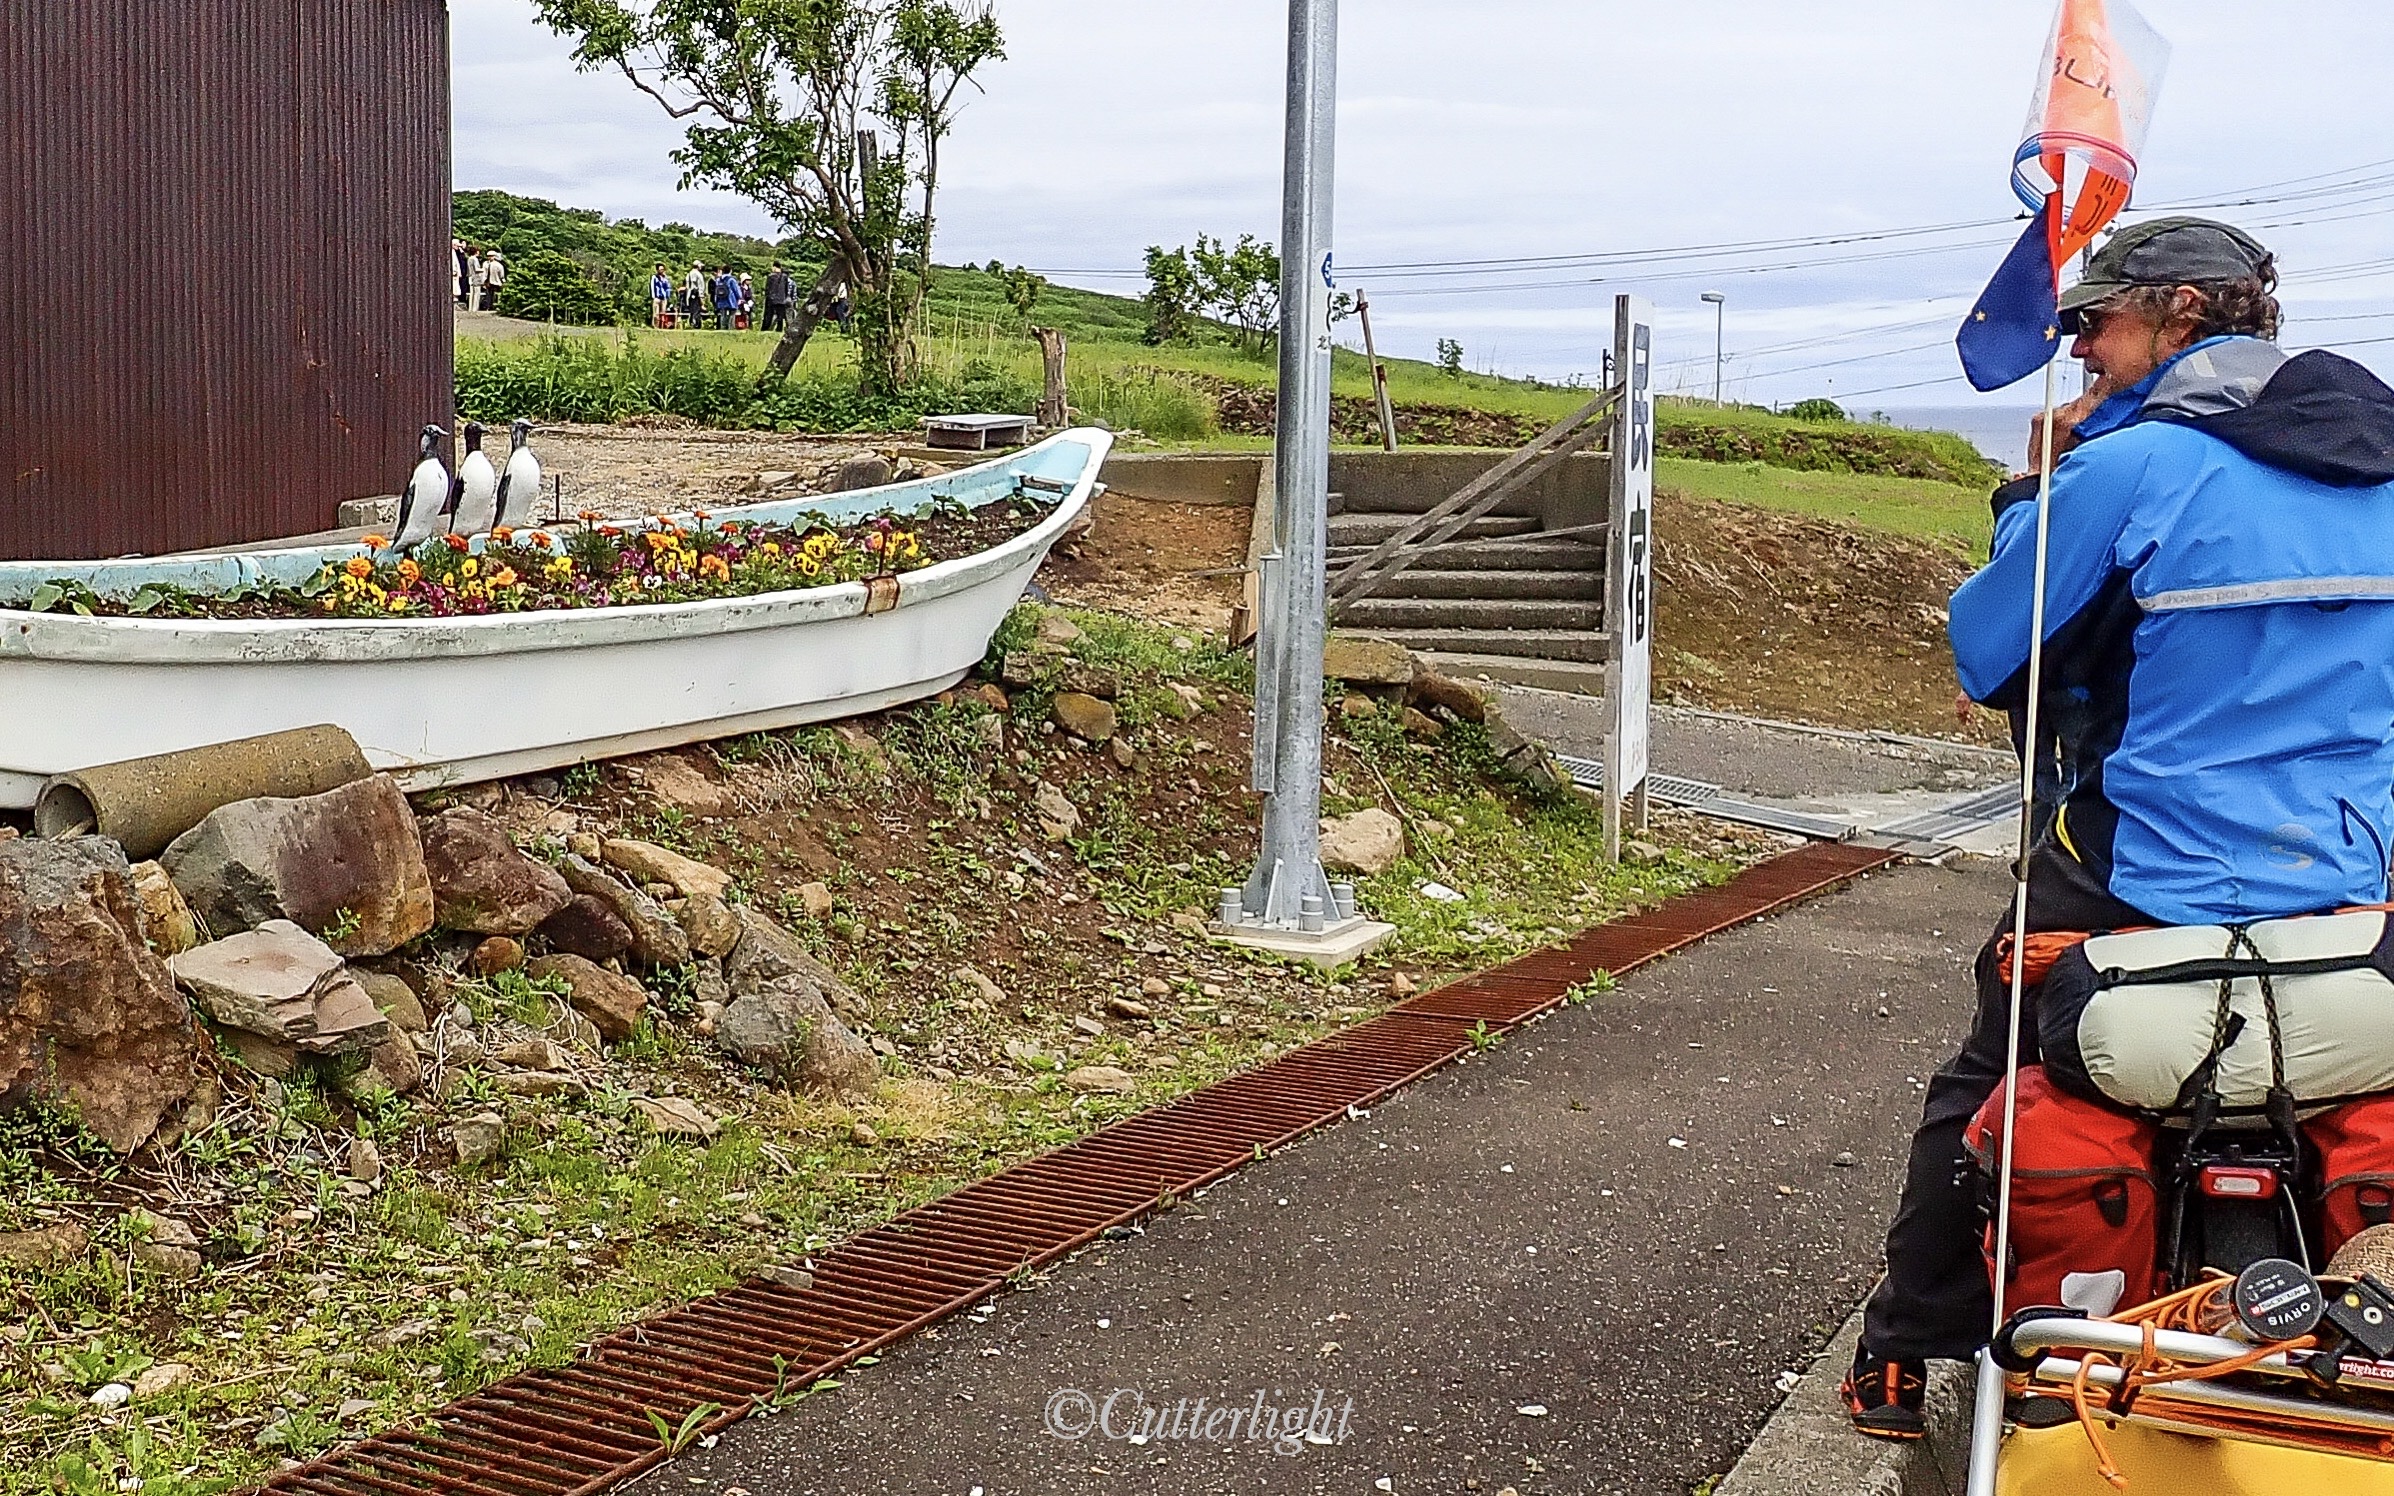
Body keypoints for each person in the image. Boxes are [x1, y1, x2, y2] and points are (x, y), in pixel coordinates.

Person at [1844, 217, 2394, 1440]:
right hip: (2346, 884)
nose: (2079, 341)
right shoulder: (2388, 466)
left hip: (2143, 876)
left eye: (2098, 317)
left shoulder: (2133, 468)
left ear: (2184, 315)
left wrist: (2034, 488)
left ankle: (1899, 1351)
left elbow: (1991, 655)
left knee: (1989, 1069)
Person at [763, 262, 793, 332]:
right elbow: (786, 288)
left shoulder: (771, 276)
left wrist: (767, 296)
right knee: (780, 316)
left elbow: (768, 288)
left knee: (769, 315)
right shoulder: (785, 276)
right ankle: (779, 329)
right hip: (782, 299)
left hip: (772, 299)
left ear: (774, 267)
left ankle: (766, 328)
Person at [713, 266, 739, 330]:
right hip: (731, 300)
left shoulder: (718, 280)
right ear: (730, 270)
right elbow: (736, 290)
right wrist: (739, 297)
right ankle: (731, 328)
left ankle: (723, 327)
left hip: (721, 299)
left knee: (723, 314)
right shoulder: (731, 279)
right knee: (732, 314)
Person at [683, 262, 707, 328]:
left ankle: (691, 323)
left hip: (689, 294)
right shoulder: (698, 274)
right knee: (697, 310)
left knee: (692, 310)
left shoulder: (689, 274)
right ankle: (696, 324)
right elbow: (701, 287)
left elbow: (687, 286)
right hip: (696, 294)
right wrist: (702, 297)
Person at [650, 263, 673, 329]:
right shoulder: (654, 277)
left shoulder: (665, 278)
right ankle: (655, 326)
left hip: (664, 298)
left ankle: (662, 326)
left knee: (663, 313)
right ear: (657, 270)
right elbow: (652, 286)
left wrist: (667, 296)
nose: (662, 271)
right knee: (656, 314)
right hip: (657, 297)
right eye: (660, 269)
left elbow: (668, 287)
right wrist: (653, 296)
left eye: (663, 269)